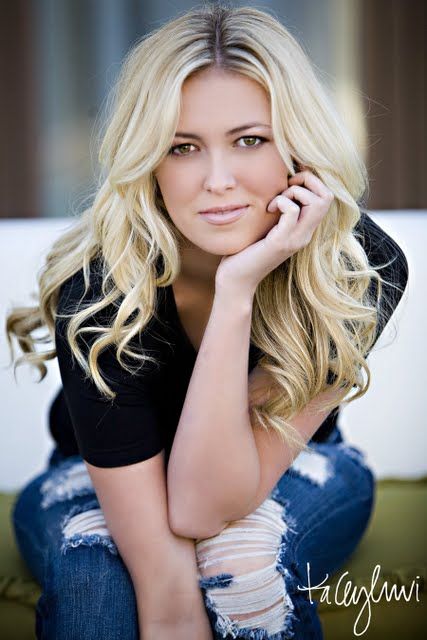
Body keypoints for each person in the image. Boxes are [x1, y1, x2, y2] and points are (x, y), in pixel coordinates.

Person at [6, 4, 409, 639]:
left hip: (298, 464)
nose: (217, 181)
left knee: (242, 564)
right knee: (93, 579)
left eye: (250, 140)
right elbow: (168, 598)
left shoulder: (354, 266)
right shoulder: (101, 284)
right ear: (149, 161)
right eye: (182, 147)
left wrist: (237, 289)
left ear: (296, 147)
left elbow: (202, 506)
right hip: (93, 475)